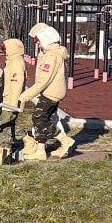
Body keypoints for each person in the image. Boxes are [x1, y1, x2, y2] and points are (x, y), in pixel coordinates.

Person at [17, 25, 73, 160]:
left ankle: (65, 140)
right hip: (52, 91)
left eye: (38, 40)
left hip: (51, 93)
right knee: (43, 120)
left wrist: (25, 95)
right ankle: (41, 150)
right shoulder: (51, 53)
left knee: (38, 118)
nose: (37, 42)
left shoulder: (51, 55)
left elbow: (43, 80)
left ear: (46, 39)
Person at [0, 37, 26, 155]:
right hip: (8, 99)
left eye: (6, 49)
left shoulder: (16, 62)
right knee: (9, 125)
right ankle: (29, 141)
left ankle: (5, 151)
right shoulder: (12, 61)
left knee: (3, 125)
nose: (4, 51)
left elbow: (17, 83)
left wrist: (14, 103)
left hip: (11, 101)